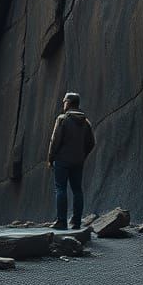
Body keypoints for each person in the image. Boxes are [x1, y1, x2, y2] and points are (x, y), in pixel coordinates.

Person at [47, 91, 96, 230]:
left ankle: (61, 222)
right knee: (77, 190)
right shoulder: (86, 122)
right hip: (78, 162)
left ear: (68, 103)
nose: (63, 103)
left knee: (61, 189)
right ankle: (76, 222)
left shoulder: (62, 119)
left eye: (64, 101)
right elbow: (92, 142)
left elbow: (54, 141)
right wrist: (82, 155)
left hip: (62, 160)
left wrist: (51, 158)